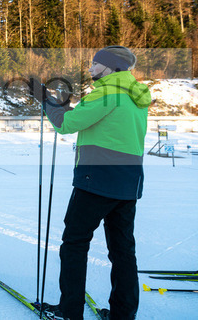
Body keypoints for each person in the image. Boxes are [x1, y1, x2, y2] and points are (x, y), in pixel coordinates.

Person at [28, 46, 151, 320]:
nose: (91, 68)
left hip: (97, 179)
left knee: (74, 243)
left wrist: (46, 101)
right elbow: (92, 119)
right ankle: (123, 314)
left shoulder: (106, 93)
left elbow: (66, 124)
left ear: (109, 67)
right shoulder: (135, 94)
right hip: (128, 182)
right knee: (122, 251)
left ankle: (70, 312)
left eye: (95, 63)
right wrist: (59, 103)